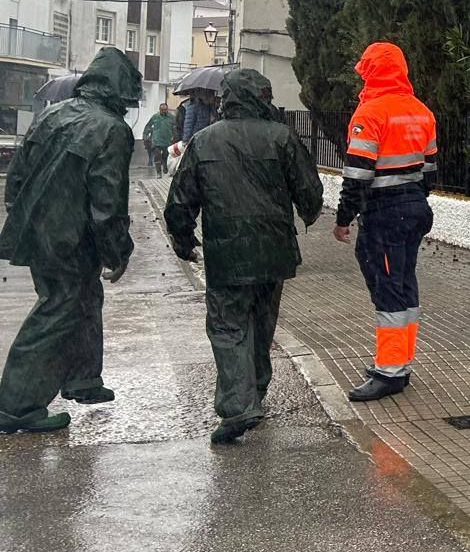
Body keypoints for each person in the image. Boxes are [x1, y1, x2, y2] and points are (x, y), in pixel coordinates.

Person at [164, 70, 323, 444]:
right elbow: (310, 192)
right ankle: (255, 393)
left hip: (227, 253)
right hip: (274, 253)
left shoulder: (203, 141)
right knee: (261, 325)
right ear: (261, 98)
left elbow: (180, 200)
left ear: (226, 100)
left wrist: (183, 238)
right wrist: (308, 212)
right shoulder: (281, 136)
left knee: (228, 327)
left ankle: (239, 405)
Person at [0, 47, 141, 434]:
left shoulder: (51, 114)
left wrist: (29, 221)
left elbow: (16, 179)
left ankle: (82, 378)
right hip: (71, 239)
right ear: (119, 91)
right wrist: (118, 252)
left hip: (39, 233)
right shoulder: (112, 130)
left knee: (83, 299)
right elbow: (108, 204)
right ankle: (17, 405)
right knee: (57, 311)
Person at [334, 42, 438, 402]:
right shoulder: (421, 111)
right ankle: (400, 361)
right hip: (414, 209)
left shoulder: (370, 114)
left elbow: (357, 175)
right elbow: (430, 172)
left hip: (384, 213)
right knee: (404, 283)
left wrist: (343, 218)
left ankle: (390, 372)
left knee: (387, 289)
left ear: (372, 72)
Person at [143, 103, 176, 176]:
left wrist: (174, 137)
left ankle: (165, 166)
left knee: (166, 156)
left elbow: (176, 127)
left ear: (167, 110)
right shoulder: (155, 117)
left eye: (165, 110)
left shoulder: (172, 118)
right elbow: (148, 126)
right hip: (156, 141)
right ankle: (158, 173)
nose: (164, 111)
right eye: (162, 110)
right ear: (159, 110)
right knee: (157, 156)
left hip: (167, 141)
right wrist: (145, 135)